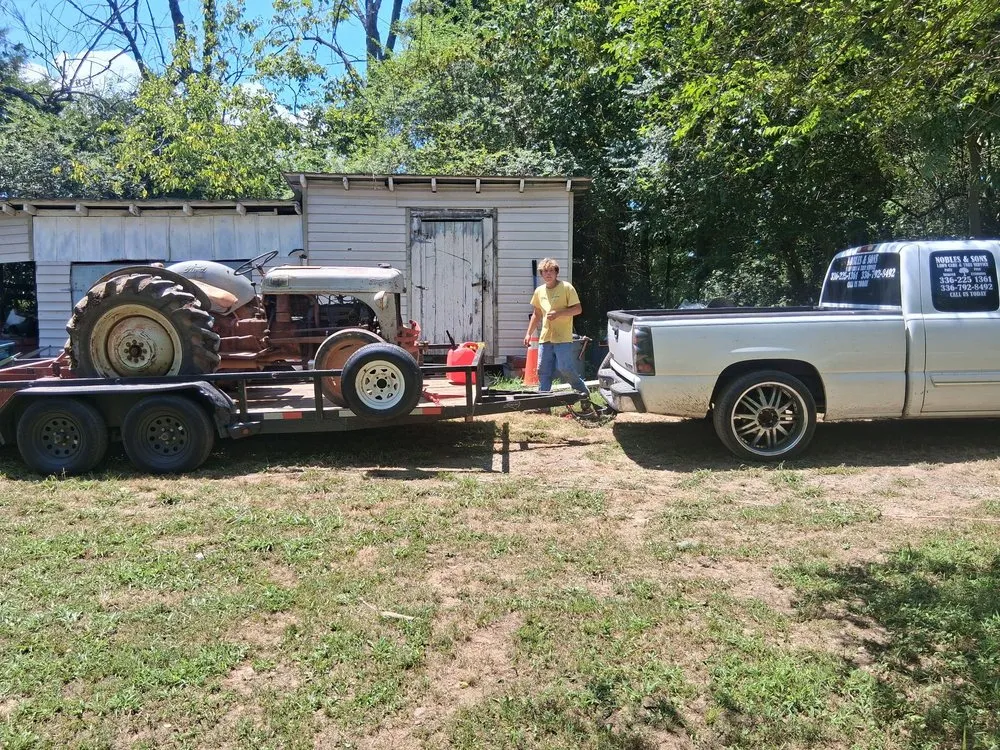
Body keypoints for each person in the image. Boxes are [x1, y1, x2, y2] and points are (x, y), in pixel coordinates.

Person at [523, 258, 590, 400]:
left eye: (551, 271)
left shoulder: (566, 287)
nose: (548, 274)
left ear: (556, 272)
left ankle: (583, 393)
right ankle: (544, 402)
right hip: (545, 337)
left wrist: (559, 313)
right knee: (543, 370)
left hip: (563, 338)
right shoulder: (539, 291)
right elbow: (537, 314)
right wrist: (528, 333)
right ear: (541, 274)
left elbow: (578, 309)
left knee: (565, 369)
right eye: (545, 271)